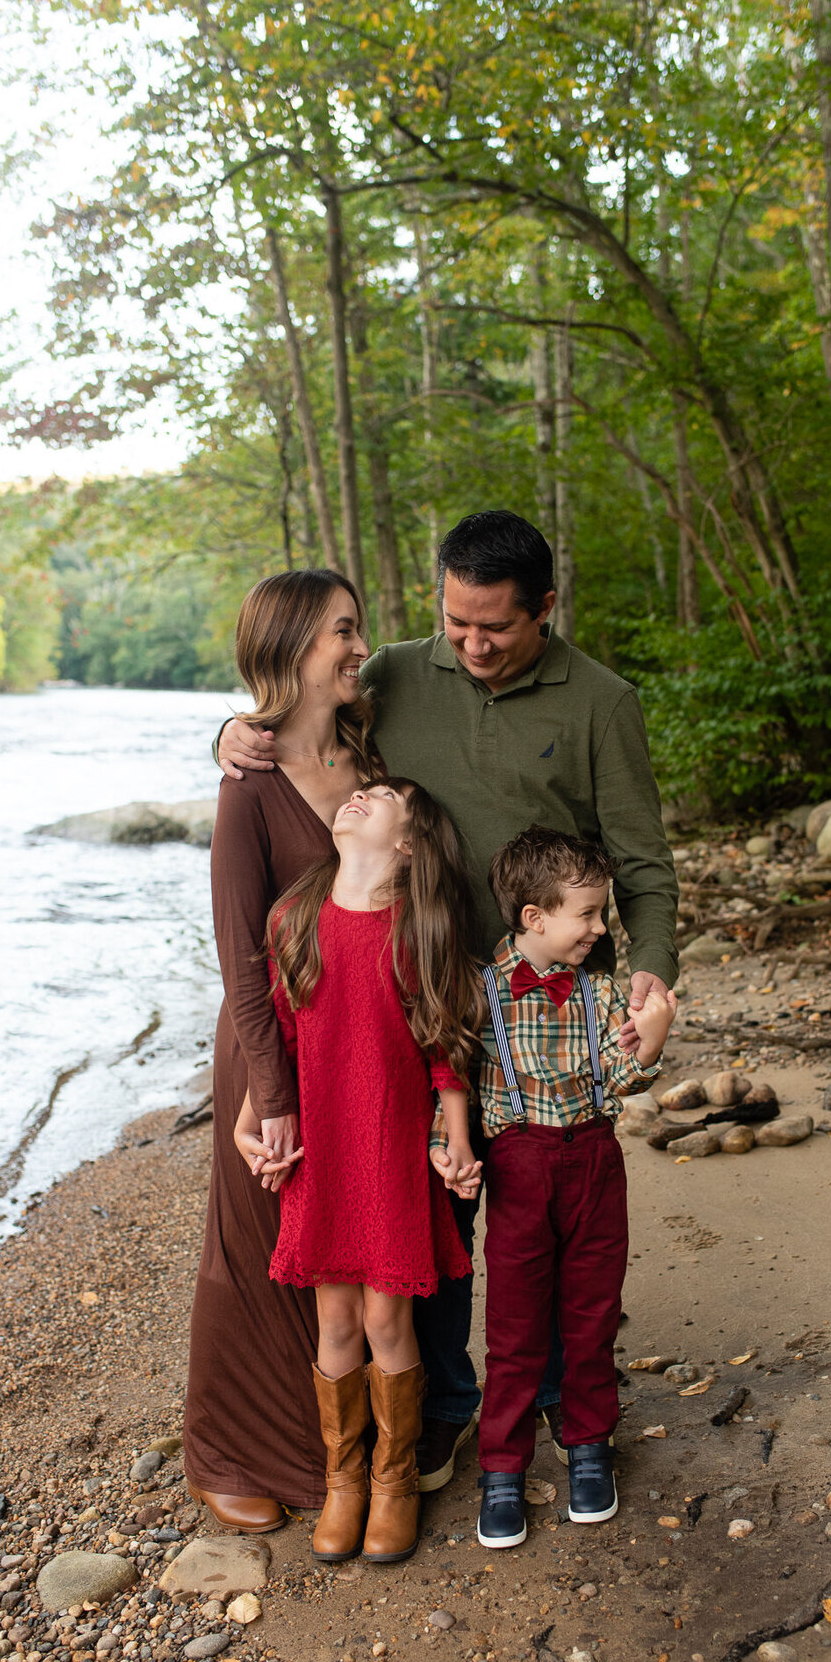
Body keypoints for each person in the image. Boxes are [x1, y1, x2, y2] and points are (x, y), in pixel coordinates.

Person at [216, 510, 680, 1489]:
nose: (469, 644)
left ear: (544, 610)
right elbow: (303, 709)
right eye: (455, 622)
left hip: (543, 1011)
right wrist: (231, 731)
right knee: (425, 1215)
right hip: (410, 992)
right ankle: (446, 1409)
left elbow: (644, 863)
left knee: (546, 1214)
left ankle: (564, 1399)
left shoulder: (602, 702)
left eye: (495, 629)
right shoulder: (394, 674)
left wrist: (654, 969)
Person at [236, 779, 483, 1563]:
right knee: (335, 1322)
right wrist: (250, 1120)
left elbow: (445, 1050)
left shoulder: (416, 928)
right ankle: (345, 1481)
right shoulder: (295, 918)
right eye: (359, 790)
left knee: (387, 1322)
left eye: (380, 798)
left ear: (409, 844)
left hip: (389, 1147)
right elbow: (275, 1036)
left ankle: (394, 1478)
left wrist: (453, 1143)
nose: (357, 798)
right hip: (324, 1152)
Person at [184, 569, 378, 1531]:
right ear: (292, 646)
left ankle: (336, 1448)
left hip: (367, 1046)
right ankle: (228, 1449)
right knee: (256, 1248)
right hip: (273, 1051)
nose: (358, 646)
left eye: (359, 628)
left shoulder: (374, 746)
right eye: (342, 631)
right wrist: (274, 1091)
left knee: (344, 1241)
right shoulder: (248, 787)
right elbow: (239, 961)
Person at [468, 827, 673, 1549]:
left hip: (594, 1162)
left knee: (592, 1314)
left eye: (601, 913)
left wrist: (651, 1038)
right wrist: (447, 1147)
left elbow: (622, 1081)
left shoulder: (603, 992)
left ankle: (590, 1447)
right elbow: (452, 1082)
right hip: (518, 1167)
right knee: (515, 1329)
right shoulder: (479, 992)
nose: (598, 928)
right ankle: (502, 1469)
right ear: (533, 918)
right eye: (587, 915)